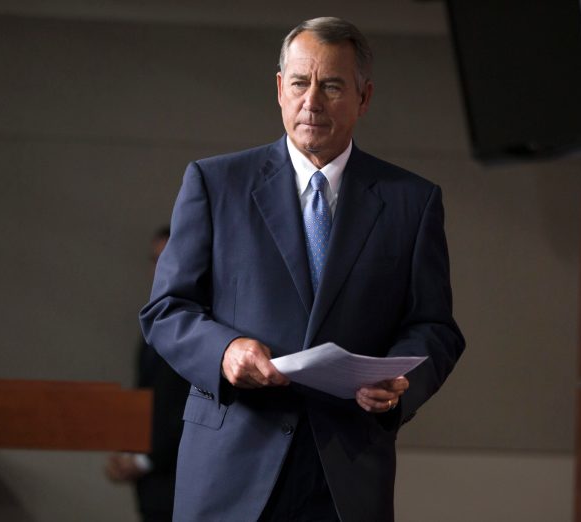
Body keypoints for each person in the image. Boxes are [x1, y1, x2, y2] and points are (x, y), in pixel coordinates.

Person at [139, 16, 465, 522]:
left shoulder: (412, 202)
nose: (311, 101)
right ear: (279, 89)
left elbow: (435, 328)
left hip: (346, 472)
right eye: (299, 83)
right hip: (230, 466)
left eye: (331, 86)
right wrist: (224, 351)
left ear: (364, 97)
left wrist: (400, 381)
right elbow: (166, 309)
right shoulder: (215, 183)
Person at [106, 226, 189, 522]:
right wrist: (127, 452)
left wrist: (145, 460)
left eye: (167, 259)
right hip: (151, 488)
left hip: (180, 483)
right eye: (155, 260)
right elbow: (147, 396)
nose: (159, 269)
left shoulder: (200, 324)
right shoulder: (153, 321)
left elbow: (190, 406)